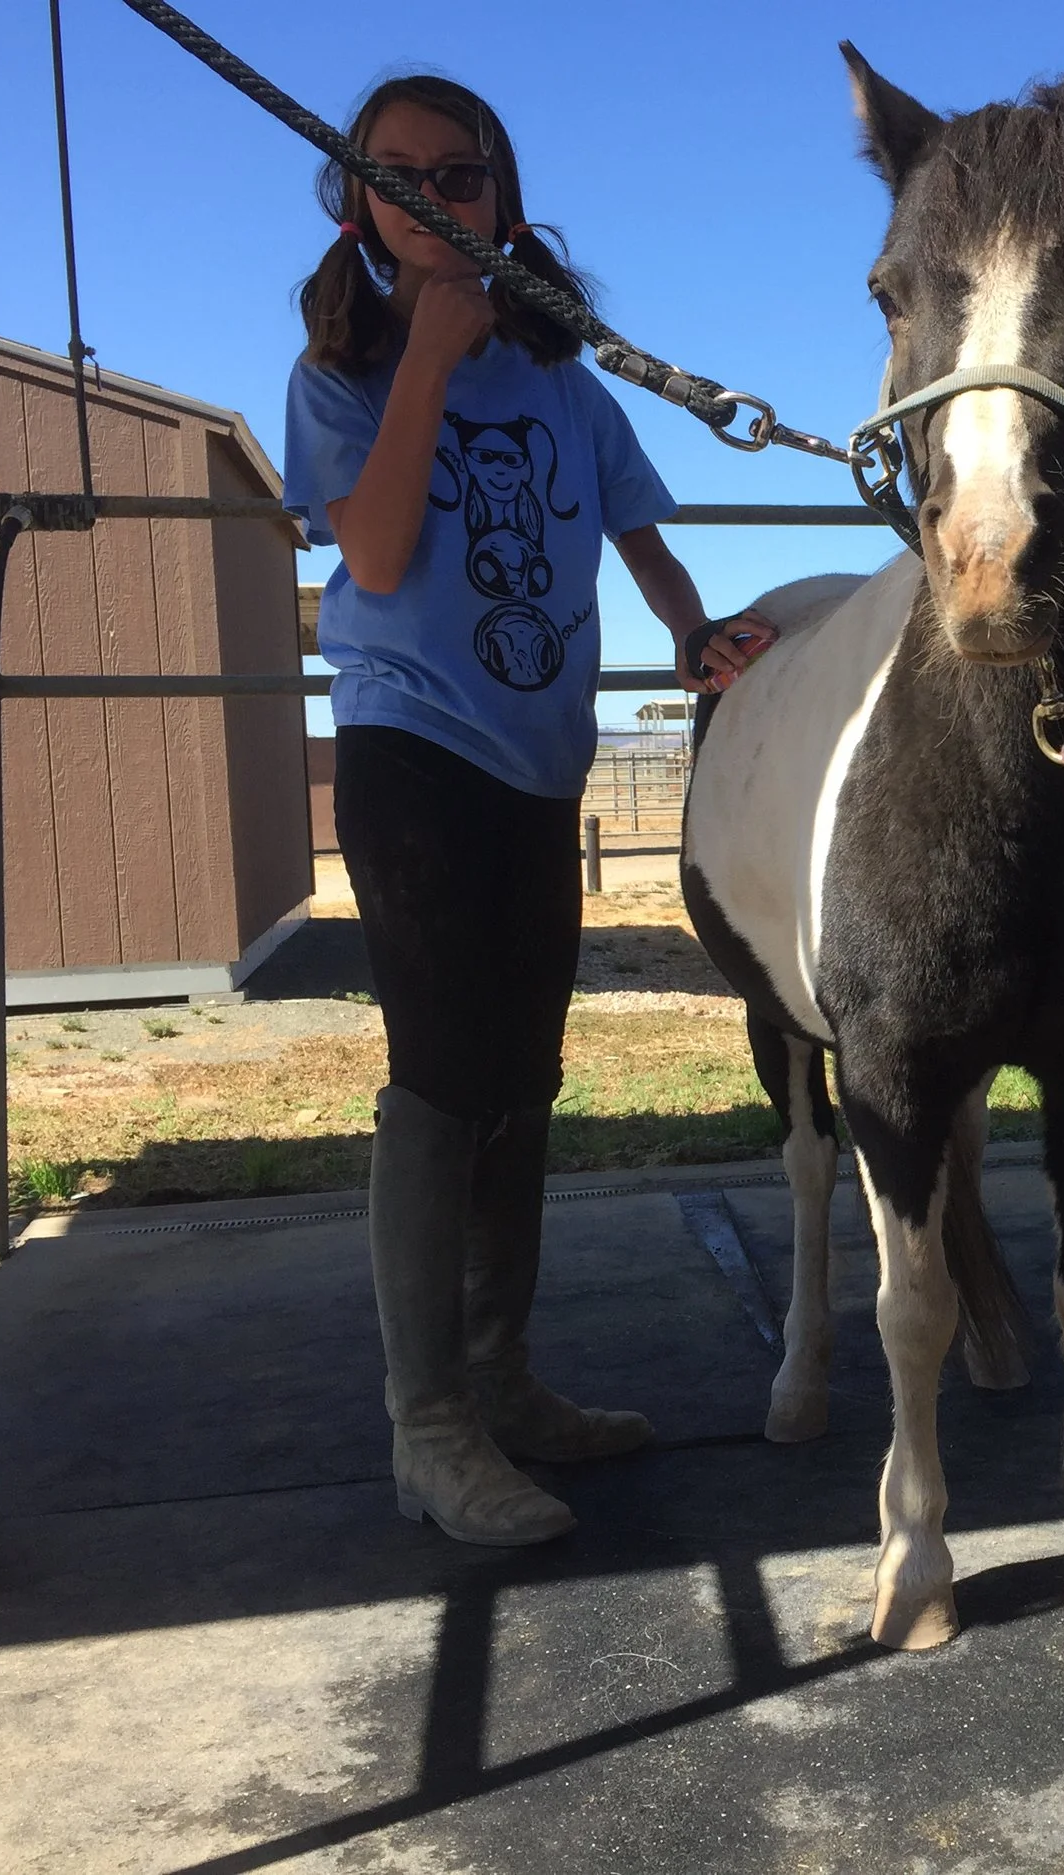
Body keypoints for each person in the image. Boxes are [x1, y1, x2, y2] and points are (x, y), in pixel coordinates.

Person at [281, 75, 759, 1548]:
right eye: (400, 176)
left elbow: (641, 538)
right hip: (411, 754)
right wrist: (431, 348)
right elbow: (363, 552)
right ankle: (428, 1423)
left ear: (503, 196)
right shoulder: (339, 373)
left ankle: (501, 1379)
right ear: (359, 203)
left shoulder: (564, 382)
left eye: (460, 175)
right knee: (441, 1074)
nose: (433, 198)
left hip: (538, 762)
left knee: (525, 1077)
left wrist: (695, 632)